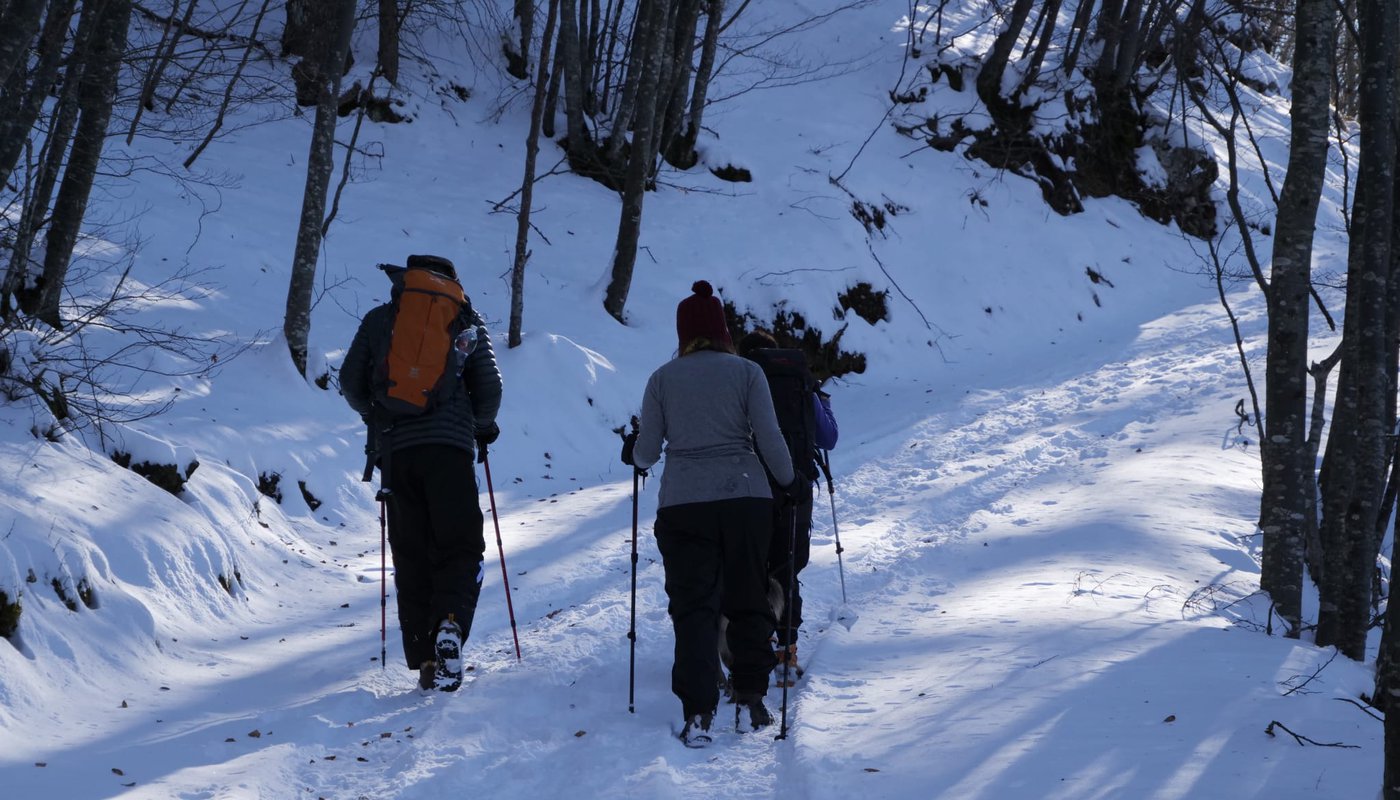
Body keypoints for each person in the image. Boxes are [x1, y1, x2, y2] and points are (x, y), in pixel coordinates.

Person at [622, 280, 796, 748]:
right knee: (747, 598)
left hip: (683, 505)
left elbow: (646, 453)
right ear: (722, 329)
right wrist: (787, 481)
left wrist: (632, 455)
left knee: (694, 608)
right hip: (745, 498)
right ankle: (751, 696)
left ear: (683, 333)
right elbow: (769, 438)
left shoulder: (662, 379)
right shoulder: (746, 373)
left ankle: (698, 711)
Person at [341, 254, 502, 692]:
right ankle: (450, 624)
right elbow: (489, 388)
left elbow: (350, 382)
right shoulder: (466, 318)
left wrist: (376, 415)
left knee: (411, 555)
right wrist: (482, 427)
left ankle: (428, 658)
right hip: (449, 451)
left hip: (397, 454)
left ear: (403, 280)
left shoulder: (380, 320)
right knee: (459, 546)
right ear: (452, 280)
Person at [737, 330, 838, 687]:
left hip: (750, 489)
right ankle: (787, 649)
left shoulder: (743, 381)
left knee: (751, 569)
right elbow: (828, 438)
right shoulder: (800, 384)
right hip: (796, 489)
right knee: (787, 567)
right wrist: (821, 403)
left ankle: (753, 644)